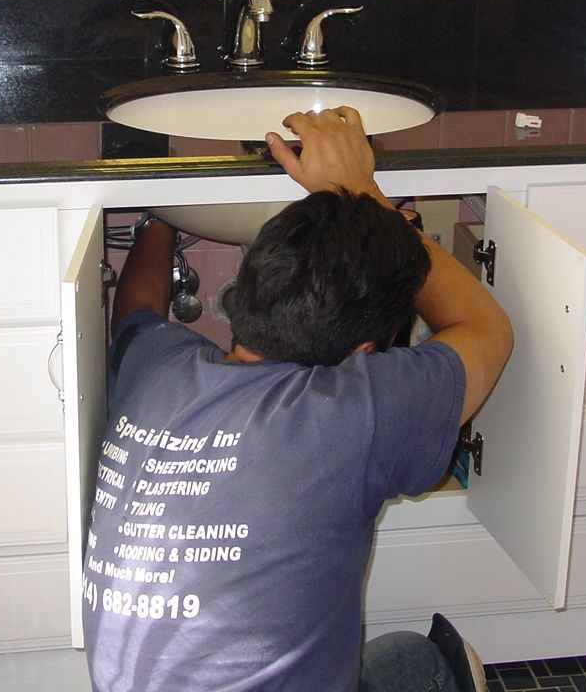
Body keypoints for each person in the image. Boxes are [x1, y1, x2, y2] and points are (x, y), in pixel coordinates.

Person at [82, 106, 513, 692]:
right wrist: (364, 192)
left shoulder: (155, 368)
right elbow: (486, 329)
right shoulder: (346, 418)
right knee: (423, 663)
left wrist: (159, 219)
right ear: (365, 350)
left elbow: (135, 303)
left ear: (247, 290)